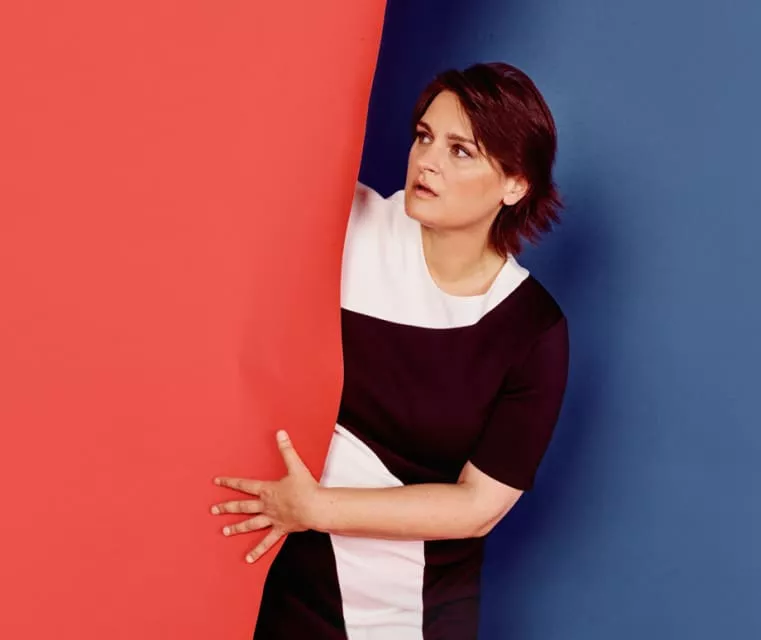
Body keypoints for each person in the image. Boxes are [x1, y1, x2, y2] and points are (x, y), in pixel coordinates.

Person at [211, 62, 570, 639]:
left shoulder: (532, 329)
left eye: (460, 151)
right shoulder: (344, 225)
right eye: (425, 137)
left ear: (515, 184)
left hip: (411, 609)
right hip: (276, 578)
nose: (427, 160)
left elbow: (478, 506)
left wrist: (314, 508)